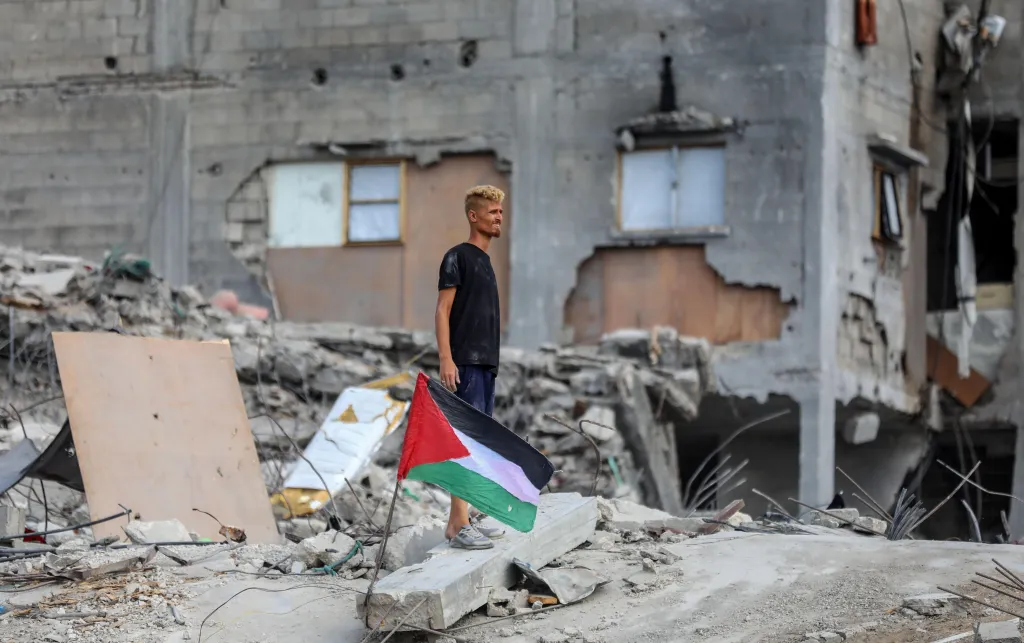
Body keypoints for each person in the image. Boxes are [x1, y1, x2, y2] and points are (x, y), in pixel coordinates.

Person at [434, 184, 507, 550]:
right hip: (464, 362)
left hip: (485, 365)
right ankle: (456, 523)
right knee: (462, 439)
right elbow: (443, 310)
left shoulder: (486, 261)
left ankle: (472, 512)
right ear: (473, 216)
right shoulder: (457, 256)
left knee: (478, 440)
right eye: (493, 212)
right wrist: (447, 358)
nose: (499, 218)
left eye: (501, 212)